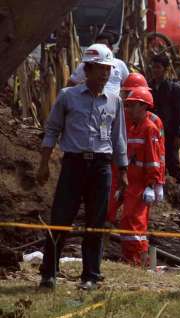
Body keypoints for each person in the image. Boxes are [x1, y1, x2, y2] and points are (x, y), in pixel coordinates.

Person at [37, 44, 128, 290]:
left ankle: (91, 276)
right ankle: (49, 273)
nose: (105, 75)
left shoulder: (114, 101)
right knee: (61, 218)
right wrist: (43, 164)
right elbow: (52, 130)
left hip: (101, 167)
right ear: (87, 69)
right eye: (100, 69)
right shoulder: (68, 96)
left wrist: (123, 171)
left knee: (96, 222)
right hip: (74, 164)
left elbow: (118, 137)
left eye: (108, 70)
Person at [108, 73, 166, 225]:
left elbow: (158, 155)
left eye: (131, 94)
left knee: (134, 219)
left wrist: (157, 182)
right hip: (116, 173)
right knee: (106, 213)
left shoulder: (153, 122)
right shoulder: (119, 115)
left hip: (137, 180)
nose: (128, 99)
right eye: (127, 94)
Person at [117, 87, 161, 265]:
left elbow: (153, 160)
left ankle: (139, 261)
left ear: (143, 107)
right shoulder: (133, 128)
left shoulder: (149, 129)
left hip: (142, 186)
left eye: (132, 106)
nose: (129, 110)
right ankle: (129, 258)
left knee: (137, 226)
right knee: (127, 222)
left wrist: (152, 185)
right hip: (131, 185)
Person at [148, 54, 180, 188]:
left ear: (165, 69)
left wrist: (179, 134)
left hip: (169, 135)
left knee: (174, 165)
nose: (155, 70)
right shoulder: (149, 88)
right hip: (152, 135)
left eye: (158, 67)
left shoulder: (175, 89)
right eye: (153, 67)